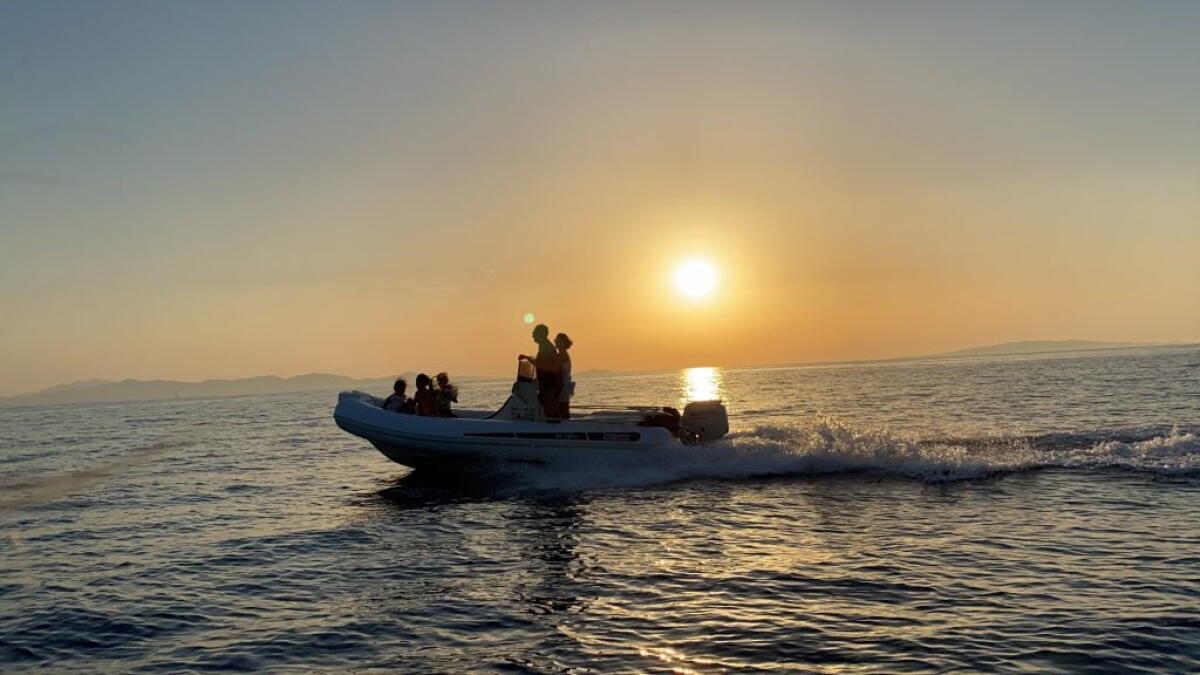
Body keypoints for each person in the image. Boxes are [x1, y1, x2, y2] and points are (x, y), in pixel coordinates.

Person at [518, 323, 562, 418]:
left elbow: (540, 363)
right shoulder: (545, 345)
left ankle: (553, 427)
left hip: (550, 383)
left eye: (535, 333)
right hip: (549, 382)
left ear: (541, 334)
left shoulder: (546, 346)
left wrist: (527, 358)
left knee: (549, 406)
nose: (533, 335)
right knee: (548, 405)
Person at [554, 332, 574, 419]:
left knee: (562, 409)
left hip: (563, 385)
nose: (557, 343)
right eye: (557, 341)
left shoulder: (562, 355)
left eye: (559, 341)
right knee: (563, 408)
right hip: (563, 385)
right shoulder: (560, 354)